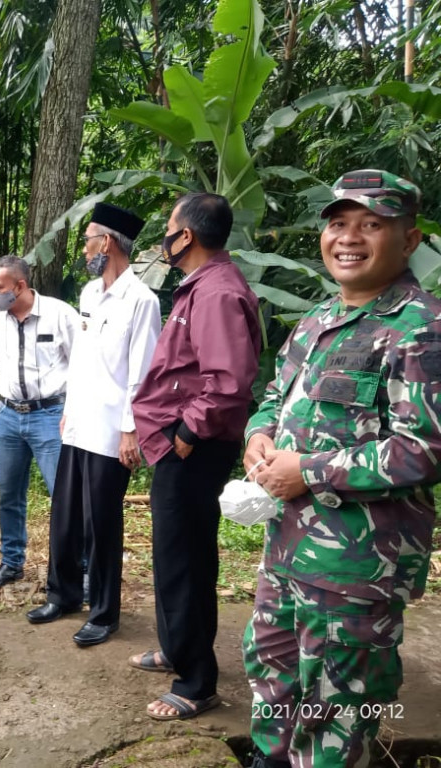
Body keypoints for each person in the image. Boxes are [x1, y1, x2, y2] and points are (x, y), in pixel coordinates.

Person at [243, 170, 441, 768]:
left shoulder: (422, 329)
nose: (348, 237)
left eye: (371, 224)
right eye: (338, 223)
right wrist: (259, 434)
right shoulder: (318, 319)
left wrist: (310, 471)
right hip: (287, 549)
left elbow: (425, 449)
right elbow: (276, 395)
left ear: (409, 240)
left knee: (337, 709)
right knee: (272, 675)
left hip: (357, 568)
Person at [130, 192, 261, 720]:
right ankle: (176, 647)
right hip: (177, 442)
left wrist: (186, 432)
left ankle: (196, 682)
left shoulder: (217, 292)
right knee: (173, 553)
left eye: (169, 227)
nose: (164, 237)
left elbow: (228, 381)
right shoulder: (201, 286)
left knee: (185, 559)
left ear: (186, 235)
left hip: (193, 446)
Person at [26, 203, 161, 647]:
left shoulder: (141, 301)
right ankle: (62, 595)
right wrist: (68, 408)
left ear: (106, 242)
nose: (84, 249)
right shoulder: (88, 294)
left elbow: (142, 372)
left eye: (87, 241)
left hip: (111, 431)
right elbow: (82, 362)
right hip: (79, 422)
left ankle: (104, 613)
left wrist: (131, 430)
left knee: (101, 524)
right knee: (65, 516)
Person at [0, 255, 79, 590]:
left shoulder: (60, 315)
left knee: (64, 495)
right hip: (8, 416)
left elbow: (82, 366)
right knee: (8, 494)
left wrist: (72, 412)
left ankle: (77, 569)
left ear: (20, 285)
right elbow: (0, 365)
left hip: (51, 415)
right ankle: (11, 562)